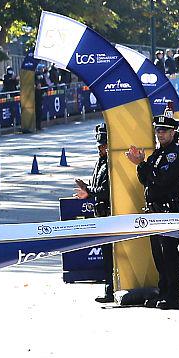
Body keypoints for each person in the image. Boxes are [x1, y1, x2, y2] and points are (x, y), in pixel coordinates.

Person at [125, 114, 179, 310]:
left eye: (164, 131)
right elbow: (145, 178)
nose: (160, 134)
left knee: (169, 254)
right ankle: (164, 292)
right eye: (158, 130)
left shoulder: (174, 155)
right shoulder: (157, 154)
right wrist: (142, 164)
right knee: (158, 255)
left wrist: (144, 166)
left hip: (167, 208)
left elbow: (161, 180)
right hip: (154, 210)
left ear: (172, 132)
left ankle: (173, 296)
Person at [76, 124, 114, 303]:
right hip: (101, 214)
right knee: (107, 257)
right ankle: (109, 289)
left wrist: (88, 190)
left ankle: (112, 289)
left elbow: (106, 189)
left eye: (104, 145)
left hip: (109, 214)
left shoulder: (112, 162)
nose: (101, 149)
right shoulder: (101, 161)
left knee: (112, 255)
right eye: (99, 146)